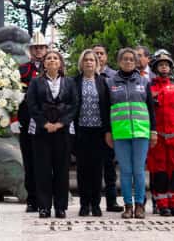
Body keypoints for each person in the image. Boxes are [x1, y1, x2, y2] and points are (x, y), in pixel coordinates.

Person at [105, 48, 157, 219]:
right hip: (120, 133)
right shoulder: (110, 82)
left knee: (139, 170)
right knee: (126, 171)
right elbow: (106, 110)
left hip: (141, 132)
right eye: (124, 59)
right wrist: (108, 132)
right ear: (119, 61)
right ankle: (128, 205)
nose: (128, 62)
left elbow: (150, 108)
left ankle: (140, 206)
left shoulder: (144, 81)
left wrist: (153, 131)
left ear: (135, 62)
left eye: (131, 59)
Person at [27, 49, 77, 219]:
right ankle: (44, 207)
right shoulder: (35, 82)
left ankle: (61, 207)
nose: (52, 60)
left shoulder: (69, 82)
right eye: (49, 58)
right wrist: (45, 123)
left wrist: (61, 123)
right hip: (41, 131)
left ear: (61, 63)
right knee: (42, 170)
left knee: (62, 170)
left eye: (55, 58)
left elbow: (74, 105)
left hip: (63, 131)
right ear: (44, 63)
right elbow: (32, 105)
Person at [147, 50, 174, 217]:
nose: (164, 67)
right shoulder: (149, 88)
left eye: (166, 65)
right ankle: (162, 204)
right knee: (159, 171)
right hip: (157, 137)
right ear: (155, 67)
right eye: (161, 65)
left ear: (170, 68)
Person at [72, 48, 110, 217]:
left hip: (98, 132)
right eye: (86, 60)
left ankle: (95, 204)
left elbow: (108, 108)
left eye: (92, 60)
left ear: (97, 63)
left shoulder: (103, 82)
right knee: (82, 170)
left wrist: (108, 131)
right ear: (81, 63)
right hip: (81, 131)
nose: (89, 62)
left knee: (97, 169)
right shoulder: (73, 82)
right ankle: (84, 204)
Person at [14, 30, 48, 213]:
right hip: (27, 121)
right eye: (35, 48)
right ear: (30, 50)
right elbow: (13, 97)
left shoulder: (53, 67)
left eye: (41, 47)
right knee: (29, 161)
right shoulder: (22, 70)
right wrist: (14, 119)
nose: (38, 51)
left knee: (46, 162)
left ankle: (46, 198)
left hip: (48, 122)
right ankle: (32, 199)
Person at [92, 43, 121, 212]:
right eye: (95, 53)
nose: (98, 57)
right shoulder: (84, 76)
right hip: (91, 127)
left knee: (110, 166)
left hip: (110, 127)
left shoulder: (114, 76)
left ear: (106, 57)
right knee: (92, 166)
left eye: (101, 53)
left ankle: (112, 202)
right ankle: (92, 203)